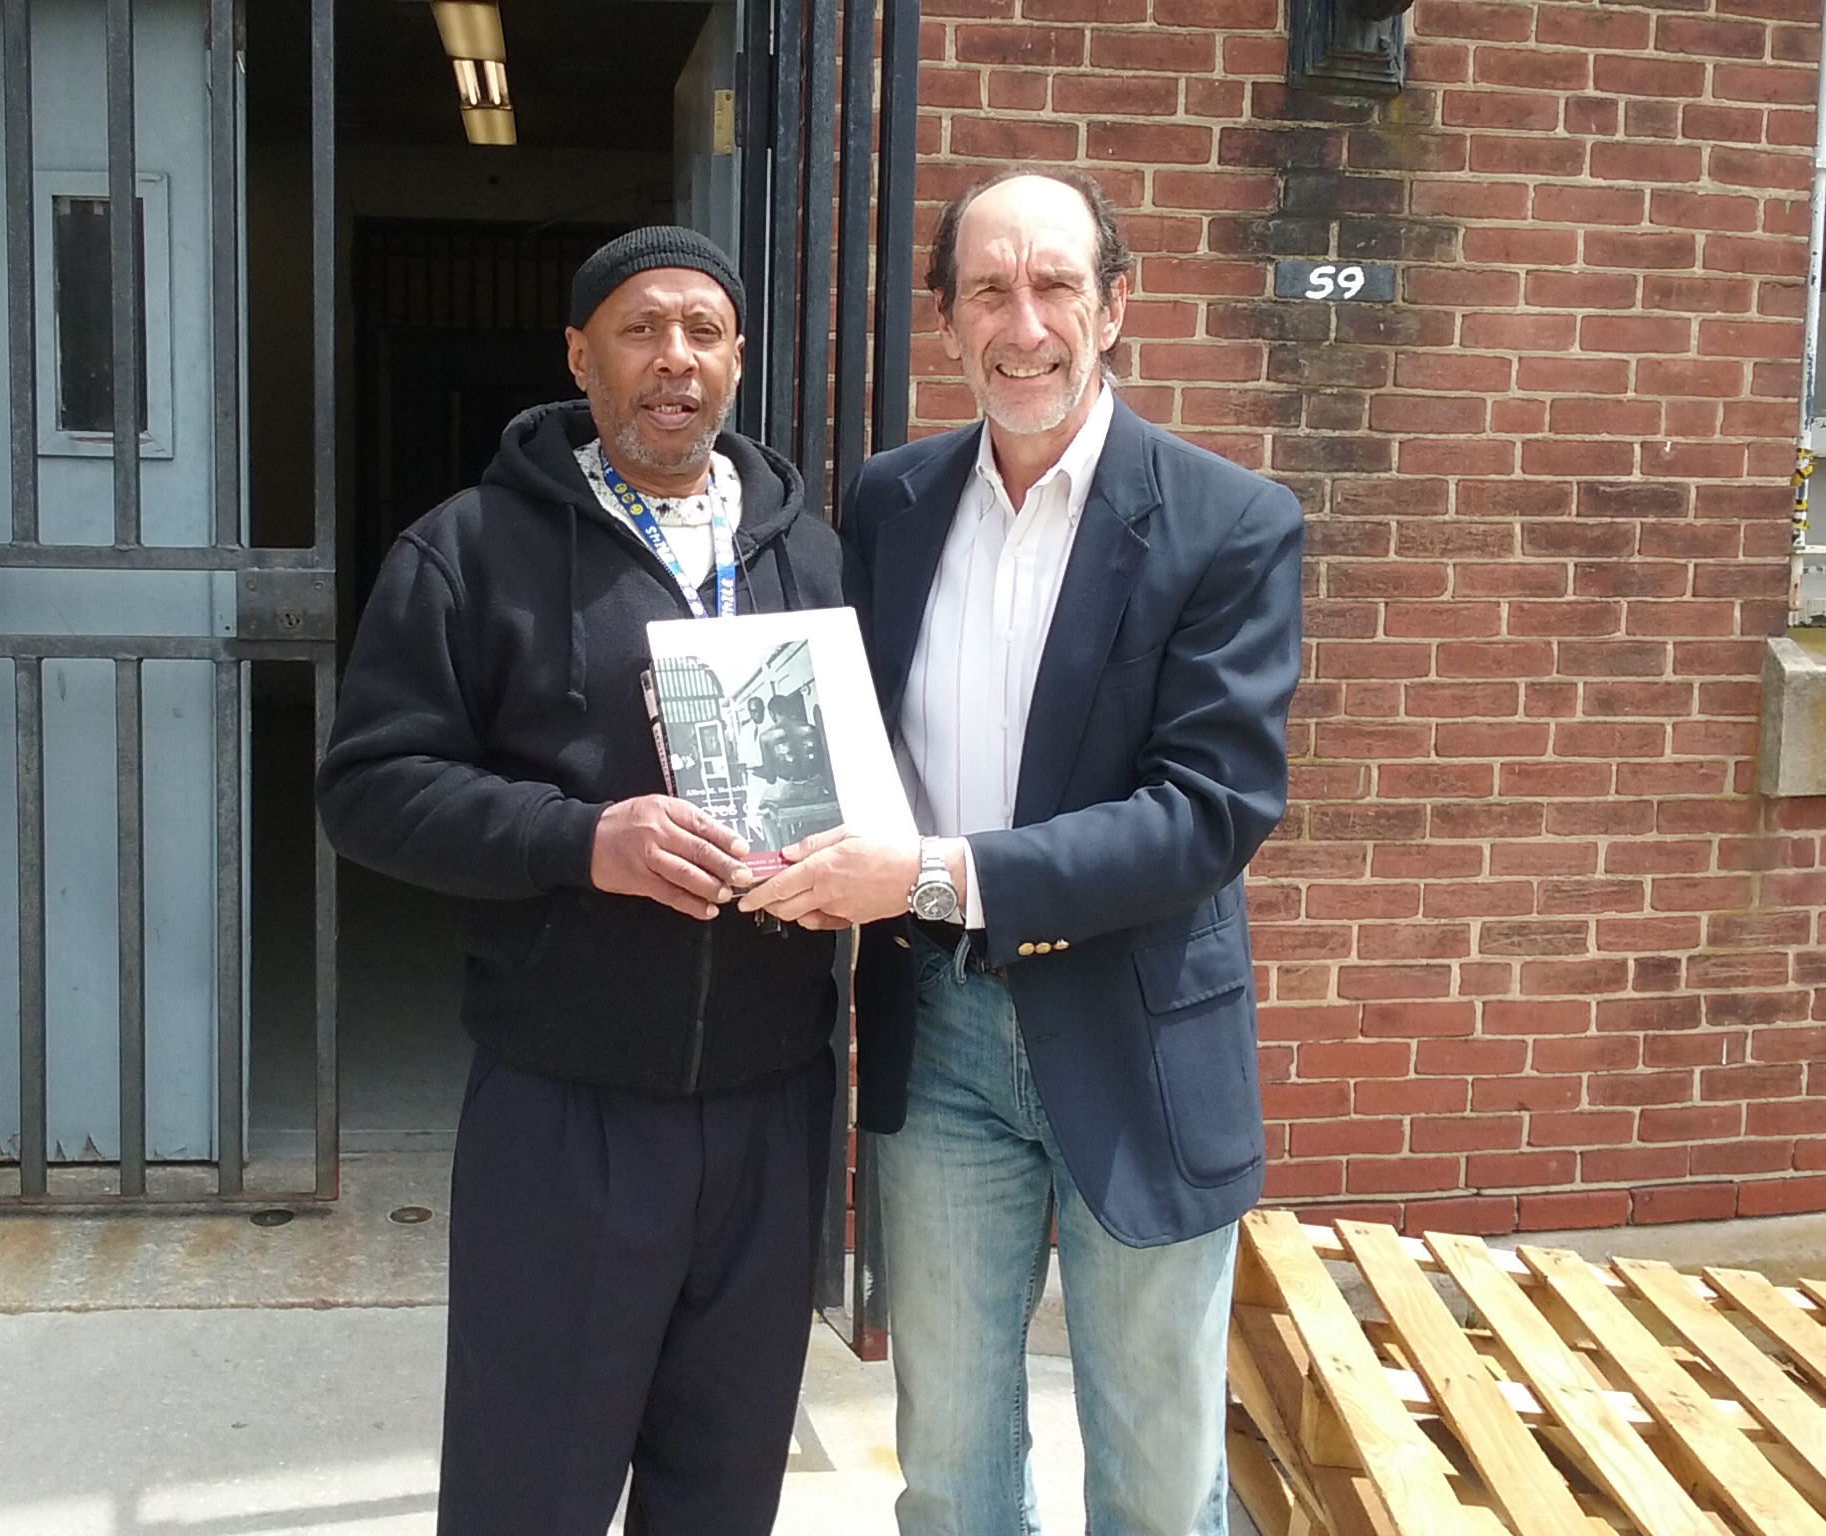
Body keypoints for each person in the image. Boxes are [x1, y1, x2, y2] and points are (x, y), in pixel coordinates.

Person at [740, 169, 1305, 1535]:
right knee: (950, 1462)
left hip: (1135, 1030)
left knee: (1157, 1469)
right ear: (945, 319)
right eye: (988, 290)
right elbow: (841, 722)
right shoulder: (893, 504)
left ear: (1117, 307)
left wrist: (929, 876)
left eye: (1056, 284)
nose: (1025, 323)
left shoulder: (1229, 522)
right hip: (938, 1035)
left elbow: (1209, 811)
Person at [316, 225, 845, 1536]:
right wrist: (579, 840)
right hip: (567, 1101)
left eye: (703, 332)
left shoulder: (809, 555)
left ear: (737, 360)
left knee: (724, 1487)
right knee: (529, 1491)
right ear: (578, 356)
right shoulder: (468, 551)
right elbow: (370, 791)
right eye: (640, 328)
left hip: (772, 1098)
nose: (675, 358)